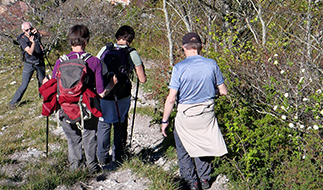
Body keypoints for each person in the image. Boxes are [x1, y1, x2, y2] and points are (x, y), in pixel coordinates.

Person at [161, 32, 228, 190]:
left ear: (183, 47)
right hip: (206, 113)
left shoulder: (179, 68)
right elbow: (223, 91)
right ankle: (205, 179)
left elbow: (171, 98)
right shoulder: (212, 64)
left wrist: (165, 121)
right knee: (203, 145)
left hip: (186, 115)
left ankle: (191, 182)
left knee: (183, 148)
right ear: (201, 47)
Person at [50, 24, 106, 173]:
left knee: (73, 139)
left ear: (70, 41)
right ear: (86, 41)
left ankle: (75, 168)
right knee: (89, 136)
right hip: (87, 107)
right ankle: (92, 167)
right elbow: (100, 92)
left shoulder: (60, 61)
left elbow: (54, 86)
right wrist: (112, 84)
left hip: (66, 107)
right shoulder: (94, 61)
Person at [95, 25, 148, 167]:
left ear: (117, 37)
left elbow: (95, 66)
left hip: (104, 93)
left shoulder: (105, 49)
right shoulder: (131, 52)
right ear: (130, 40)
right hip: (122, 94)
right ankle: (118, 156)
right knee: (120, 122)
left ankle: (102, 157)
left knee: (104, 123)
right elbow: (142, 79)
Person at [8, 21, 45, 108]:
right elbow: (30, 52)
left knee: (42, 80)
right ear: (23, 30)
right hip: (29, 63)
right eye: (26, 30)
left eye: (30, 29)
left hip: (39, 61)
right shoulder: (22, 39)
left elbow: (48, 34)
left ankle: (43, 96)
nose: (29, 31)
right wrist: (32, 42)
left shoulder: (35, 34)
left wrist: (38, 32)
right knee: (24, 84)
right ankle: (13, 103)